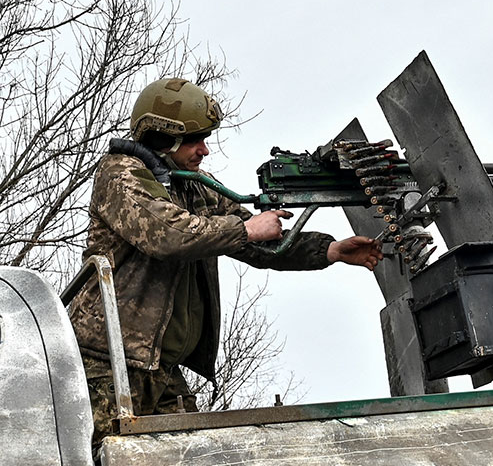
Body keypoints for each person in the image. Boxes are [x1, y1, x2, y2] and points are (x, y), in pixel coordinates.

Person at [68, 78, 382, 447]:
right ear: (160, 138)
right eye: (195, 139)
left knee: (191, 452)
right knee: (96, 453)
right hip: (106, 362)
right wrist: (246, 229)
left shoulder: (192, 184)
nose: (204, 150)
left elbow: (256, 242)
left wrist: (329, 250)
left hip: (159, 369)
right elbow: (169, 235)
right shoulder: (120, 173)